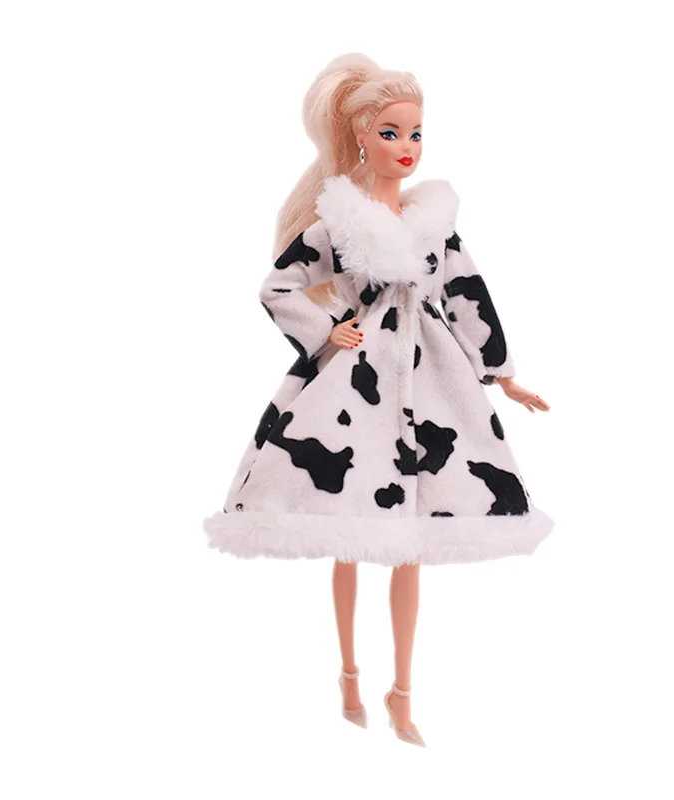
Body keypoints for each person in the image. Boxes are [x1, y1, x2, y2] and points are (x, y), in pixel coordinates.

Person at [202, 52, 554, 746]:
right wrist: (326, 328)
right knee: (350, 533)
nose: (407, 147)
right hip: (354, 391)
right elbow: (277, 286)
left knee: (411, 545)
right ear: (362, 135)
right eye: (391, 133)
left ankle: (402, 694)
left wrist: (502, 373)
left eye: (416, 133)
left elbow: (468, 297)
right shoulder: (339, 222)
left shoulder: (436, 222)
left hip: (433, 384)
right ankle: (349, 676)